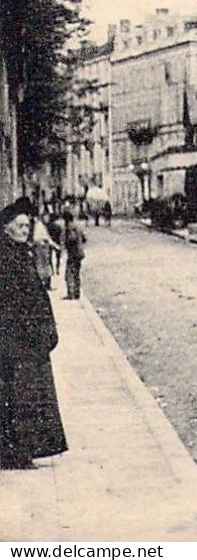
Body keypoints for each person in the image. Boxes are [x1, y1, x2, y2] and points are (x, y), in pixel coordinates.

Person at [0, 198, 68, 470]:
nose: (25, 230)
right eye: (19, 226)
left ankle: (23, 451)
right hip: (17, 341)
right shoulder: (6, 256)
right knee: (20, 397)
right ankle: (16, 453)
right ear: (6, 228)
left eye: (27, 226)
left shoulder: (18, 252)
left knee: (28, 396)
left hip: (28, 341)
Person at [62, 210, 87, 301]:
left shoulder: (70, 227)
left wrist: (66, 243)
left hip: (73, 253)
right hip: (79, 253)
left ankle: (71, 294)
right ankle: (77, 293)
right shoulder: (78, 226)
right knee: (76, 274)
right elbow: (85, 238)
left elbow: (71, 239)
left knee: (69, 273)